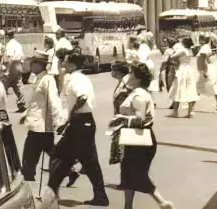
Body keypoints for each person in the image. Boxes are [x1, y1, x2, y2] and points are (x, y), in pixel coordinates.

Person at [47, 52, 109, 206]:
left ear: (73, 64)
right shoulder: (81, 77)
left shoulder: (76, 79)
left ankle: (52, 192)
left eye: (66, 61)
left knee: (59, 156)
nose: (63, 64)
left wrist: (70, 116)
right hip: (84, 123)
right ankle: (100, 196)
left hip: (80, 123)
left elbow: (82, 97)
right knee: (87, 161)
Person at [110, 63, 174, 209]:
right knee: (128, 173)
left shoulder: (138, 95)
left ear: (137, 78)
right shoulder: (137, 92)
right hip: (135, 138)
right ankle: (128, 206)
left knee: (137, 174)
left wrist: (121, 119)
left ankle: (162, 202)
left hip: (140, 139)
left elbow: (140, 118)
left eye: (131, 73)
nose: (128, 76)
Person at [20, 54, 63, 192]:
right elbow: (36, 102)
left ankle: (30, 189)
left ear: (40, 64)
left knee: (28, 162)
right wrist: (26, 114)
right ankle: (69, 171)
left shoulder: (47, 80)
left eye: (33, 62)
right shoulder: (38, 78)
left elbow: (54, 101)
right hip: (36, 124)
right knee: (51, 152)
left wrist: (58, 122)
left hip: (41, 127)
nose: (31, 65)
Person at [109, 62, 134, 166]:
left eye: (112, 69)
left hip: (125, 119)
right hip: (120, 118)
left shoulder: (127, 83)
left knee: (125, 149)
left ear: (118, 72)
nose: (111, 72)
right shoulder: (122, 82)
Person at [167, 38, 198, 118]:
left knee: (177, 89)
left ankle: (175, 112)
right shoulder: (189, 50)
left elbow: (172, 56)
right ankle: (190, 111)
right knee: (189, 89)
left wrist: (172, 51)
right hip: (188, 69)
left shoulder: (183, 50)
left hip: (182, 69)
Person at [196, 35, 217, 113]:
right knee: (199, 87)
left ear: (203, 40)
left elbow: (205, 61)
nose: (198, 41)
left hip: (207, 69)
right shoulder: (205, 47)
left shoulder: (205, 48)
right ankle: (191, 104)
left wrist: (205, 71)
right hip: (205, 69)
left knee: (212, 87)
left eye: (200, 39)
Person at [3, 29, 26, 112]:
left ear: (7, 36)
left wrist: (7, 70)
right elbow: (23, 56)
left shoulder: (9, 45)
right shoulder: (17, 44)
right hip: (19, 65)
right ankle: (22, 104)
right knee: (17, 85)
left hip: (12, 66)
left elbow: (10, 58)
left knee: (4, 85)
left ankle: (1, 106)